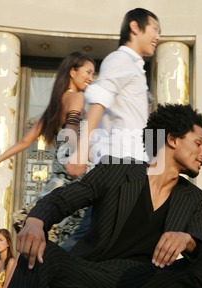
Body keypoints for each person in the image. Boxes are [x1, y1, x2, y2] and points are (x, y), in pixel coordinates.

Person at [2, 104, 202, 288]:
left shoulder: (193, 197)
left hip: (150, 285)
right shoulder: (116, 171)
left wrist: (185, 240)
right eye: (198, 144)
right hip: (94, 278)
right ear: (172, 139)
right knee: (39, 251)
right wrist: (35, 221)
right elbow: (63, 198)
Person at [0, 51, 96, 246]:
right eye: (87, 72)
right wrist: (77, 158)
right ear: (72, 71)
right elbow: (71, 129)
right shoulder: (77, 98)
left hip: (55, 182)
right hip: (72, 180)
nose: (90, 78)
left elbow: (24, 142)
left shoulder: (55, 105)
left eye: (93, 74)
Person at [65, 7, 161, 177]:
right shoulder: (120, 59)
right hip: (120, 162)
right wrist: (80, 152)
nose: (158, 37)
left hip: (134, 162)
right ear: (135, 27)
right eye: (154, 29)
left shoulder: (135, 66)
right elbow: (98, 102)